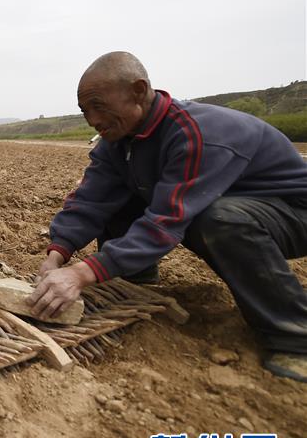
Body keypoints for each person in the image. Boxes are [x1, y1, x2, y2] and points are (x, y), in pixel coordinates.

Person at [29, 51, 307, 382]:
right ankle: (135, 279)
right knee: (127, 192)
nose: (92, 119)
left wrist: (81, 274)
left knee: (218, 219)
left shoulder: (195, 133)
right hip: (238, 205)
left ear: (138, 91)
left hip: (292, 214)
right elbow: (92, 198)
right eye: (85, 110)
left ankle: (294, 337)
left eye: (98, 106)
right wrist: (57, 255)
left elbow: (166, 221)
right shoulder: (118, 139)